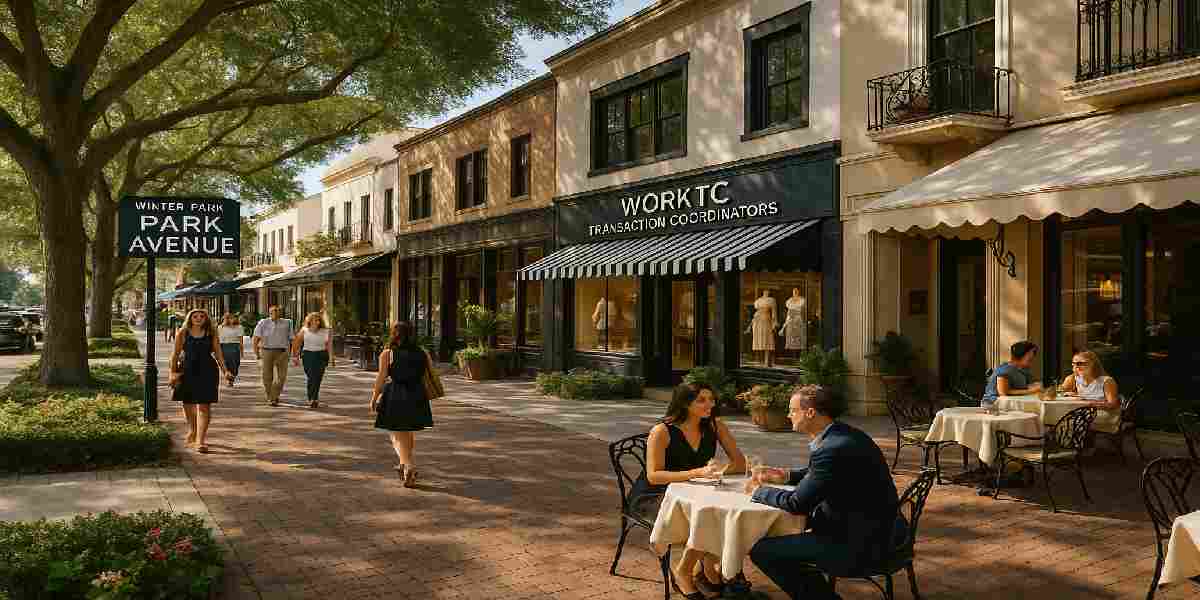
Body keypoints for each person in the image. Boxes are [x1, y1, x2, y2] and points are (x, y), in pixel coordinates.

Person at [744, 385, 900, 600]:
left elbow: (798, 503)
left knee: (761, 550)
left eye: (792, 410)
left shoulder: (831, 448)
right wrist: (786, 475)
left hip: (860, 545)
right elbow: (822, 474)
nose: (789, 415)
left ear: (810, 413)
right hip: (884, 531)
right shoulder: (844, 435)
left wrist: (758, 491)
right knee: (782, 534)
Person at [630, 383, 746, 599]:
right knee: (707, 518)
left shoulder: (715, 426)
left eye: (711, 399)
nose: (709, 404)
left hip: (696, 491)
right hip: (654, 496)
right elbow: (654, 475)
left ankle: (708, 567)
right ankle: (689, 572)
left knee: (724, 514)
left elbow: (739, 463)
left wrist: (716, 470)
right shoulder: (661, 431)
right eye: (701, 400)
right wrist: (697, 472)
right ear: (684, 403)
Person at [370, 321, 434, 487]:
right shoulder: (423, 352)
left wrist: (374, 397)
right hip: (418, 394)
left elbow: (381, 378)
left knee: (397, 433)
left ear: (394, 334)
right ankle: (404, 463)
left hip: (396, 394)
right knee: (407, 431)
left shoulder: (387, 354)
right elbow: (429, 373)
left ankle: (408, 466)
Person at [168, 309, 227, 454]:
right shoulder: (183, 333)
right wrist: (172, 373)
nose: (198, 318)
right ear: (190, 318)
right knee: (188, 404)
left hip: (207, 371)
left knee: (204, 406)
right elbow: (175, 355)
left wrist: (226, 371)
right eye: (195, 316)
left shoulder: (211, 333)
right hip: (187, 370)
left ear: (206, 319)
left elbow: (218, 354)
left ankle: (201, 440)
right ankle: (193, 430)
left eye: (202, 316)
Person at [1060, 350, 1121, 432]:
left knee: (1071, 420)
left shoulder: (1106, 381)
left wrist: (1092, 404)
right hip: (1086, 411)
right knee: (1064, 417)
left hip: (1106, 413)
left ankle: (1075, 443)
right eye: (1073, 364)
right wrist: (1074, 395)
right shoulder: (1075, 379)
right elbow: (1059, 392)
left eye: (1079, 363)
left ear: (1092, 364)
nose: (1076, 367)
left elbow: (1113, 404)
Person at [291, 312, 335, 408]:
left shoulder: (326, 331)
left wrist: (331, 358)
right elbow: (297, 343)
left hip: (321, 355)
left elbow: (329, 346)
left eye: (318, 320)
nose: (317, 322)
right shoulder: (304, 330)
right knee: (311, 377)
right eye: (315, 320)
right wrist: (295, 356)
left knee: (318, 377)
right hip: (308, 355)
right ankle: (312, 397)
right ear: (309, 321)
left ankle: (313, 398)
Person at [253, 306, 294, 406]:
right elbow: (256, 338)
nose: (274, 313)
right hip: (266, 351)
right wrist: (256, 353)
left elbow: (291, 338)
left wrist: (292, 353)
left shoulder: (287, 322)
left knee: (282, 377)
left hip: (282, 352)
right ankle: (271, 397)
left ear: (280, 313)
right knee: (267, 376)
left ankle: (273, 396)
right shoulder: (263, 322)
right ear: (269, 312)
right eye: (272, 312)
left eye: (276, 311)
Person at [981, 340, 1043, 406]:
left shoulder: (1023, 370)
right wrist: (1032, 391)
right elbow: (1003, 392)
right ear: (1021, 354)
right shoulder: (1004, 370)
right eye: (1031, 353)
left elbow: (1028, 385)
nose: (1033, 355)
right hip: (994, 404)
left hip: (1012, 403)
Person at [217, 313, 243, 387]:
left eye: (233, 318)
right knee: (224, 364)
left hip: (234, 347)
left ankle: (232, 377)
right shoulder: (220, 327)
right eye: (230, 318)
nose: (232, 319)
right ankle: (229, 380)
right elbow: (217, 339)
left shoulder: (239, 327)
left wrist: (241, 351)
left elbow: (241, 340)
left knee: (235, 364)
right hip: (223, 346)